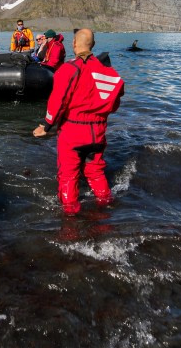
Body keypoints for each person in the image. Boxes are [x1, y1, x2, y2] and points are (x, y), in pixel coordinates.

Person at [33, 29, 124, 215]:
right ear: (94, 44)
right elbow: (114, 104)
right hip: (97, 133)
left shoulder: (68, 69)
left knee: (68, 176)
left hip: (72, 132)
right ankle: (106, 210)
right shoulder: (109, 72)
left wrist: (46, 125)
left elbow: (58, 101)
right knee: (96, 171)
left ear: (74, 43)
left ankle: (70, 220)